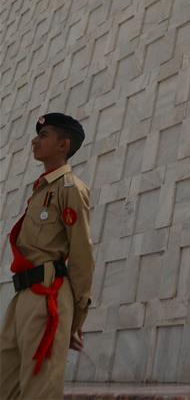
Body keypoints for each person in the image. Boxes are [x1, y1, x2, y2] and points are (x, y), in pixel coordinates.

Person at [0, 113, 94, 400]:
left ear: (63, 145)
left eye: (43, 136)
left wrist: (76, 318)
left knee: (39, 390)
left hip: (48, 297)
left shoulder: (71, 190)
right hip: (23, 295)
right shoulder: (41, 190)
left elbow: (81, 255)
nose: (35, 141)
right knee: (6, 384)